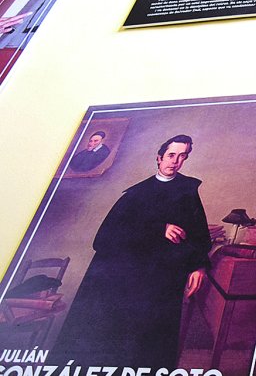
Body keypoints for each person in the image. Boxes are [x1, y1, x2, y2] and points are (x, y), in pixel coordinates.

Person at [50, 135, 212, 368]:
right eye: (171, 155)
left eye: (182, 156)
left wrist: (199, 265)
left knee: (151, 348)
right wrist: (159, 229)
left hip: (164, 279)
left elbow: (199, 233)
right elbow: (104, 238)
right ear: (159, 158)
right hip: (129, 279)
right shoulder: (136, 194)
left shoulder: (188, 191)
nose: (175, 161)